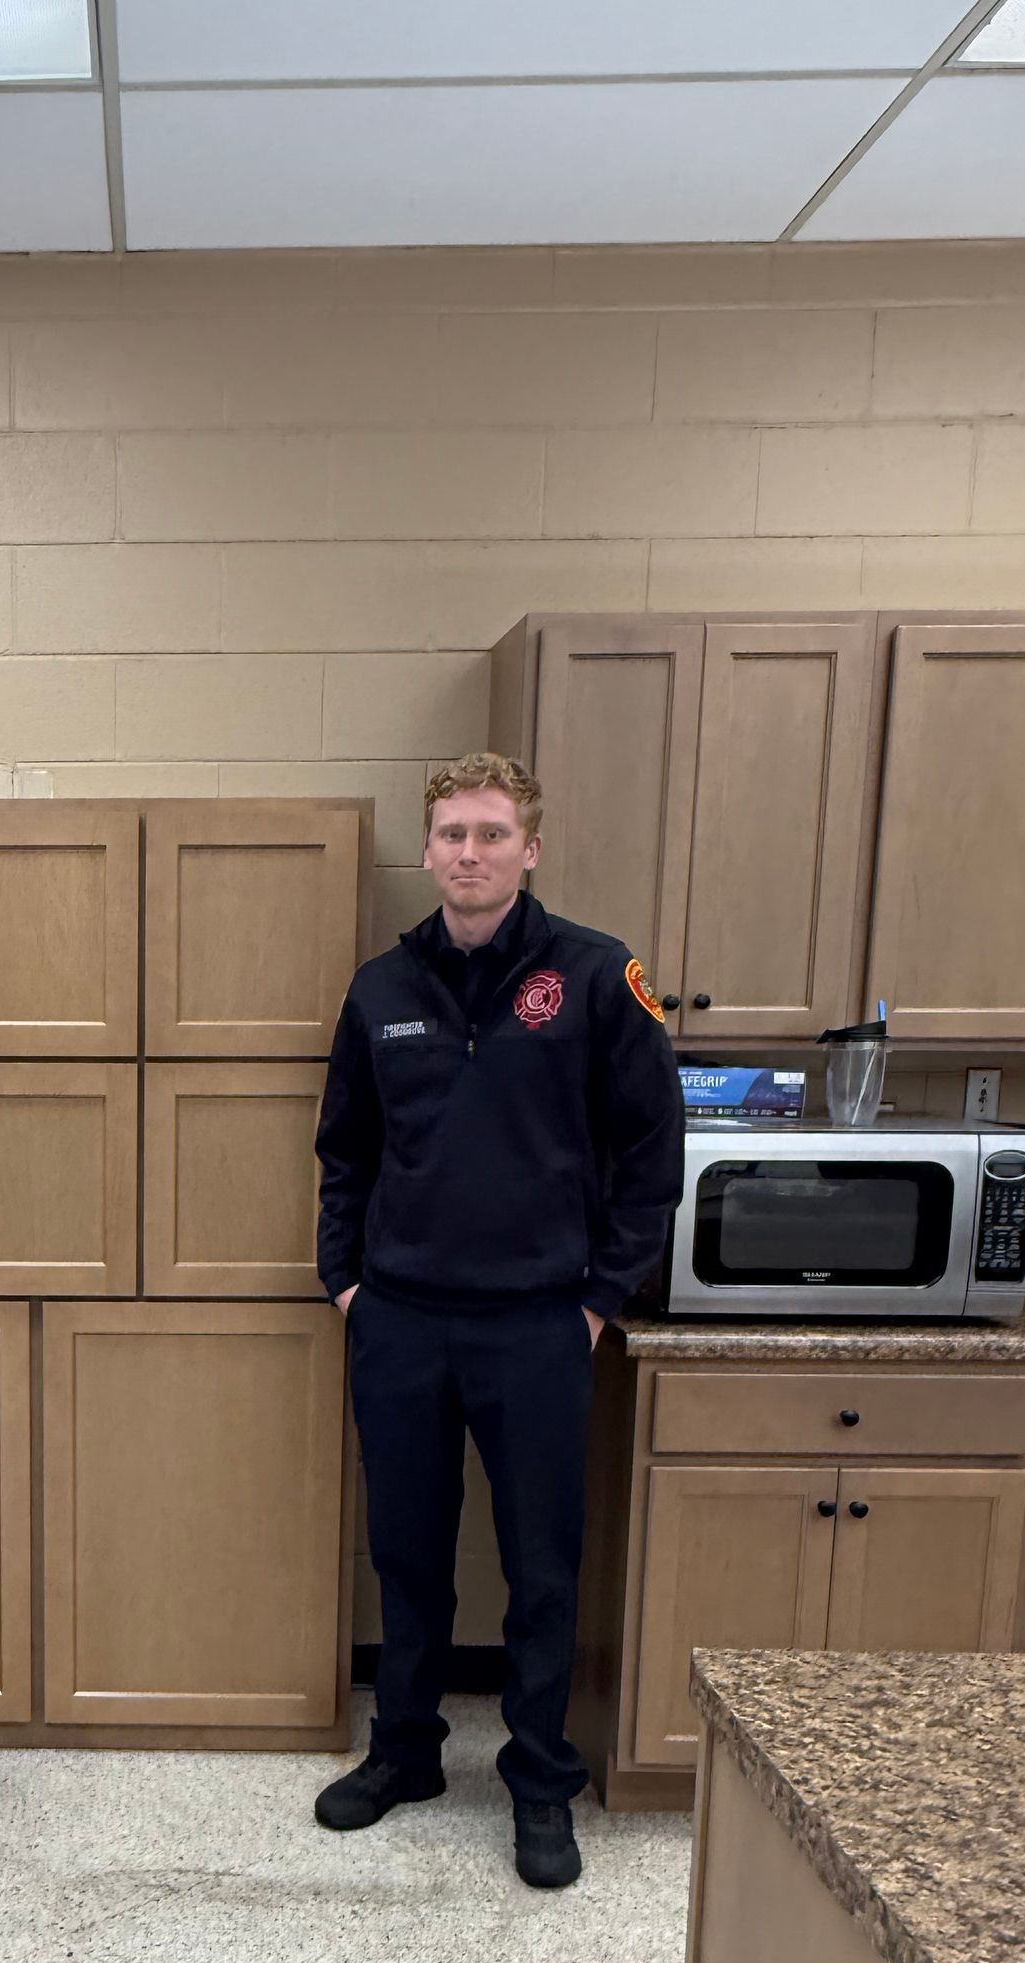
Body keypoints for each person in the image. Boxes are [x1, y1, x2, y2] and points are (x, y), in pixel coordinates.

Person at [312, 751, 684, 1887]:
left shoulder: (595, 976)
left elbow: (652, 1154)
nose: (469, 853)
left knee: (542, 1567)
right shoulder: (381, 988)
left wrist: (598, 1299)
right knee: (407, 1554)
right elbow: (344, 1151)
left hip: (538, 1325)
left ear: (531, 847)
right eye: (451, 834)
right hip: (401, 1319)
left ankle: (539, 1780)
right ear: (427, 851)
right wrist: (347, 1284)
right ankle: (406, 1752)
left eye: (490, 833)